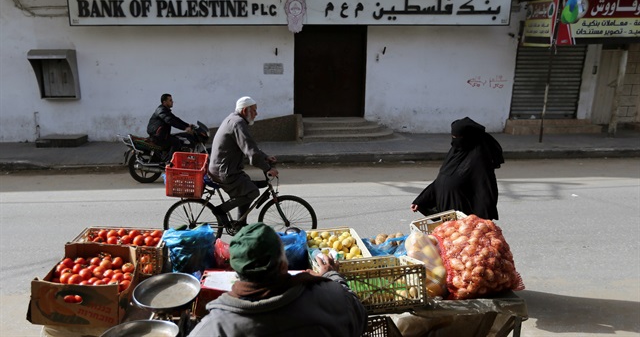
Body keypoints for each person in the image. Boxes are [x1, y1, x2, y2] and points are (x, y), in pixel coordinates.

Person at [187, 222, 367, 337]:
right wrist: (332, 275)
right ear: (283, 264)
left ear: (236, 272)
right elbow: (359, 318)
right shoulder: (329, 297)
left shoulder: (214, 328)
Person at [411, 117, 504, 220]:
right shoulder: (455, 153)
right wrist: (421, 200)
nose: (454, 140)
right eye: (453, 136)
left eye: (457, 137)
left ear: (468, 138)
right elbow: (441, 180)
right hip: (447, 217)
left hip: (464, 220)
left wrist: (479, 222)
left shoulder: (479, 160)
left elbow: (484, 193)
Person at [208, 96, 278, 223]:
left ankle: (241, 224)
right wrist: (268, 168)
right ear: (245, 110)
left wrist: (265, 157)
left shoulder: (234, 120)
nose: (256, 114)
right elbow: (251, 152)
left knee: (247, 188)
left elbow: (249, 146)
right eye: (254, 110)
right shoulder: (238, 123)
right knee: (253, 192)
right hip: (225, 172)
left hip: (226, 168)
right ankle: (220, 210)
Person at [146, 93, 193, 160]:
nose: (172, 102)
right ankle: (169, 162)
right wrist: (184, 128)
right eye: (170, 100)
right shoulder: (161, 111)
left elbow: (176, 119)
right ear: (164, 102)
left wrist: (187, 125)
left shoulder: (165, 110)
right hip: (158, 137)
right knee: (176, 142)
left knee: (179, 138)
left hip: (163, 135)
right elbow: (170, 121)